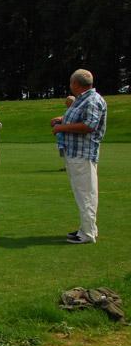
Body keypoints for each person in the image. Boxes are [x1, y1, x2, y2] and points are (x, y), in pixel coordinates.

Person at [51, 69, 108, 244]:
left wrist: (61, 128)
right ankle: (88, 228)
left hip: (83, 153)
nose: (70, 86)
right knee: (82, 193)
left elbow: (89, 125)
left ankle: (88, 234)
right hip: (75, 152)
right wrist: (62, 120)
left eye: (71, 83)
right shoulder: (83, 100)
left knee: (86, 194)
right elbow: (79, 118)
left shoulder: (91, 100)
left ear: (76, 84)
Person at [55, 96, 76, 170]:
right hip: (63, 134)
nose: (65, 103)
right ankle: (67, 166)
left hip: (68, 134)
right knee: (65, 150)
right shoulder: (69, 110)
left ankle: (69, 166)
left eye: (67, 101)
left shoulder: (74, 110)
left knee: (67, 150)